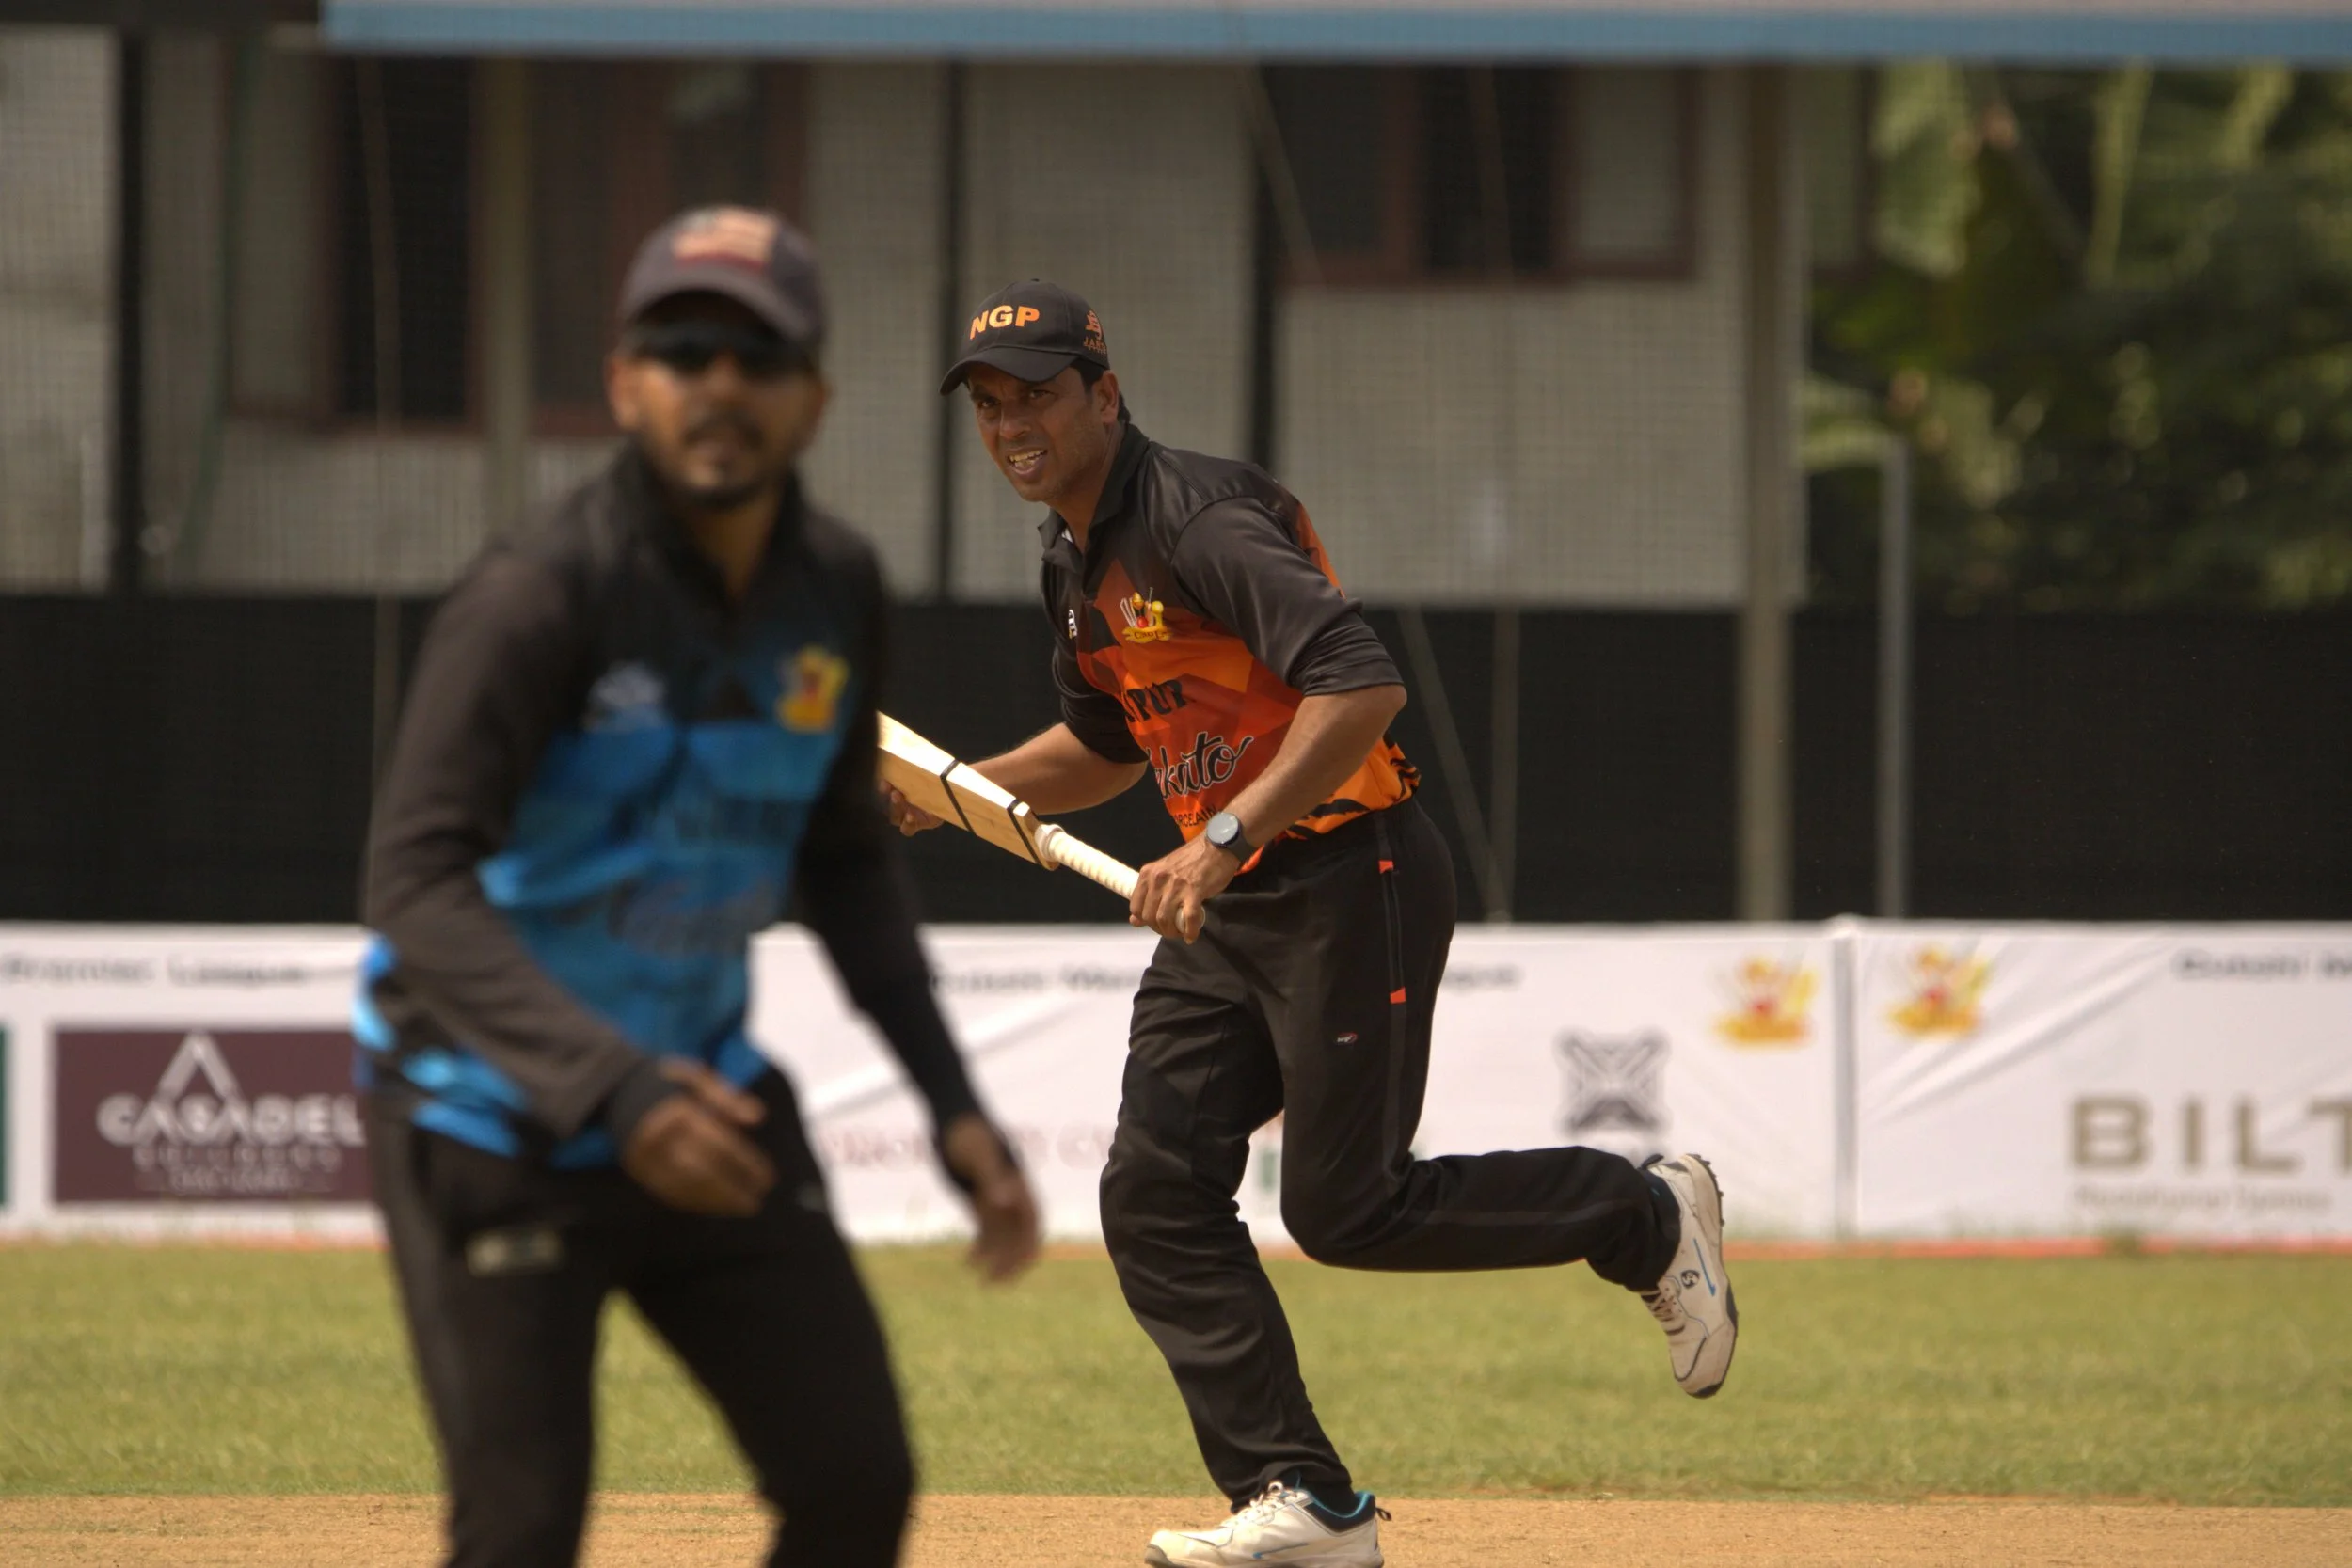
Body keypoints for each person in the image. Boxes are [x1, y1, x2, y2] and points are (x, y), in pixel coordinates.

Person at [894, 280, 1737, 1568]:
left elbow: (1364, 684)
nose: (1013, 424)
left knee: (1349, 1210)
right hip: (1226, 907)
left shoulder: (1202, 519)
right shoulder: (1073, 558)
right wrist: (956, 796)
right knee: (1155, 1191)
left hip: (1354, 874)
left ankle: (1644, 1219)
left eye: (1039, 396)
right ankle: (1307, 1500)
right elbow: (1107, 746)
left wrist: (1222, 838)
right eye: (992, 404)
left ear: (1104, 396)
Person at [357, 207, 1041, 1568]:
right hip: (488, 1109)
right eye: (681, 349)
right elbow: (414, 882)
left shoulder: (836, 588)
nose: (719, 382)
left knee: (854, 1486)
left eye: (758, 354)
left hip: (707, 1099)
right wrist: (612, 1089)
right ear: (624, 384)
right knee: (522, 1529)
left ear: (815, 399)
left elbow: (843, 857)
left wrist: (954, 1103)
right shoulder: (538, 597)